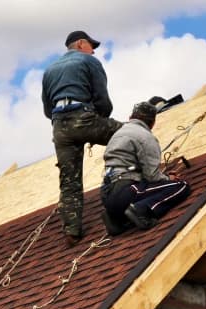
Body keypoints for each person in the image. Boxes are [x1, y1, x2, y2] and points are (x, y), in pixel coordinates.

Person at [42, 30, 121, 245]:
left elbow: (47, 109)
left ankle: (71, 231)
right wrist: (99, 122)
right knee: (127, 133)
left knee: (69, 181)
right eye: (91, 45)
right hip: (83, 116)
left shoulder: (49, 70)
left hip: (59, 127)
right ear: (79, 44)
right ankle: (138, 181)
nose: (93, 50)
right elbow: (102, 98)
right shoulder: (87, 61)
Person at [99, 100, 190, 236]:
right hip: (127, 190)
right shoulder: (145, 137)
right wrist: (167, 178)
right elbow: (152, 176)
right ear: (152, 123)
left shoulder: (117, 134)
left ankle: (116, 218)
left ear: (130, 118)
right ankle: (141, 210)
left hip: (107, 195)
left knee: (142, 189)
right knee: (181, 186)